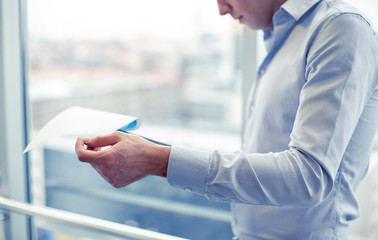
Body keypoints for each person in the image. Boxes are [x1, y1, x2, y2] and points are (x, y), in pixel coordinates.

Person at [75, 0, 378, 239]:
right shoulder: (283, 39)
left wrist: (158, 160)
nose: (221, 10)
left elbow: (308, 176)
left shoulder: (340, 29)